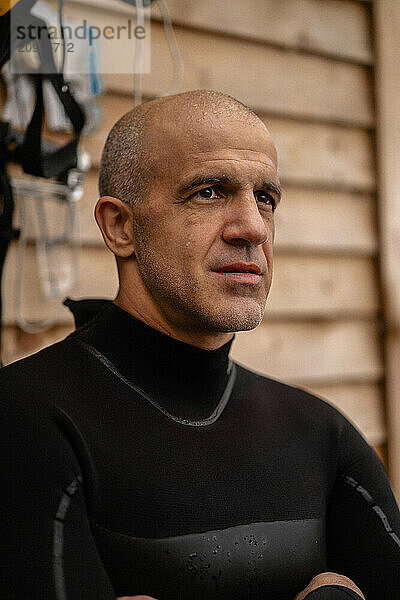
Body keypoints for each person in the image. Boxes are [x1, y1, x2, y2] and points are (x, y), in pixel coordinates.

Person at [1, 90, 399, 600]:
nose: (253, 227)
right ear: (120, 227)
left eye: (266, 198)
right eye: (209, 192)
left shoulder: (322, 435)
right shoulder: (25, 419)